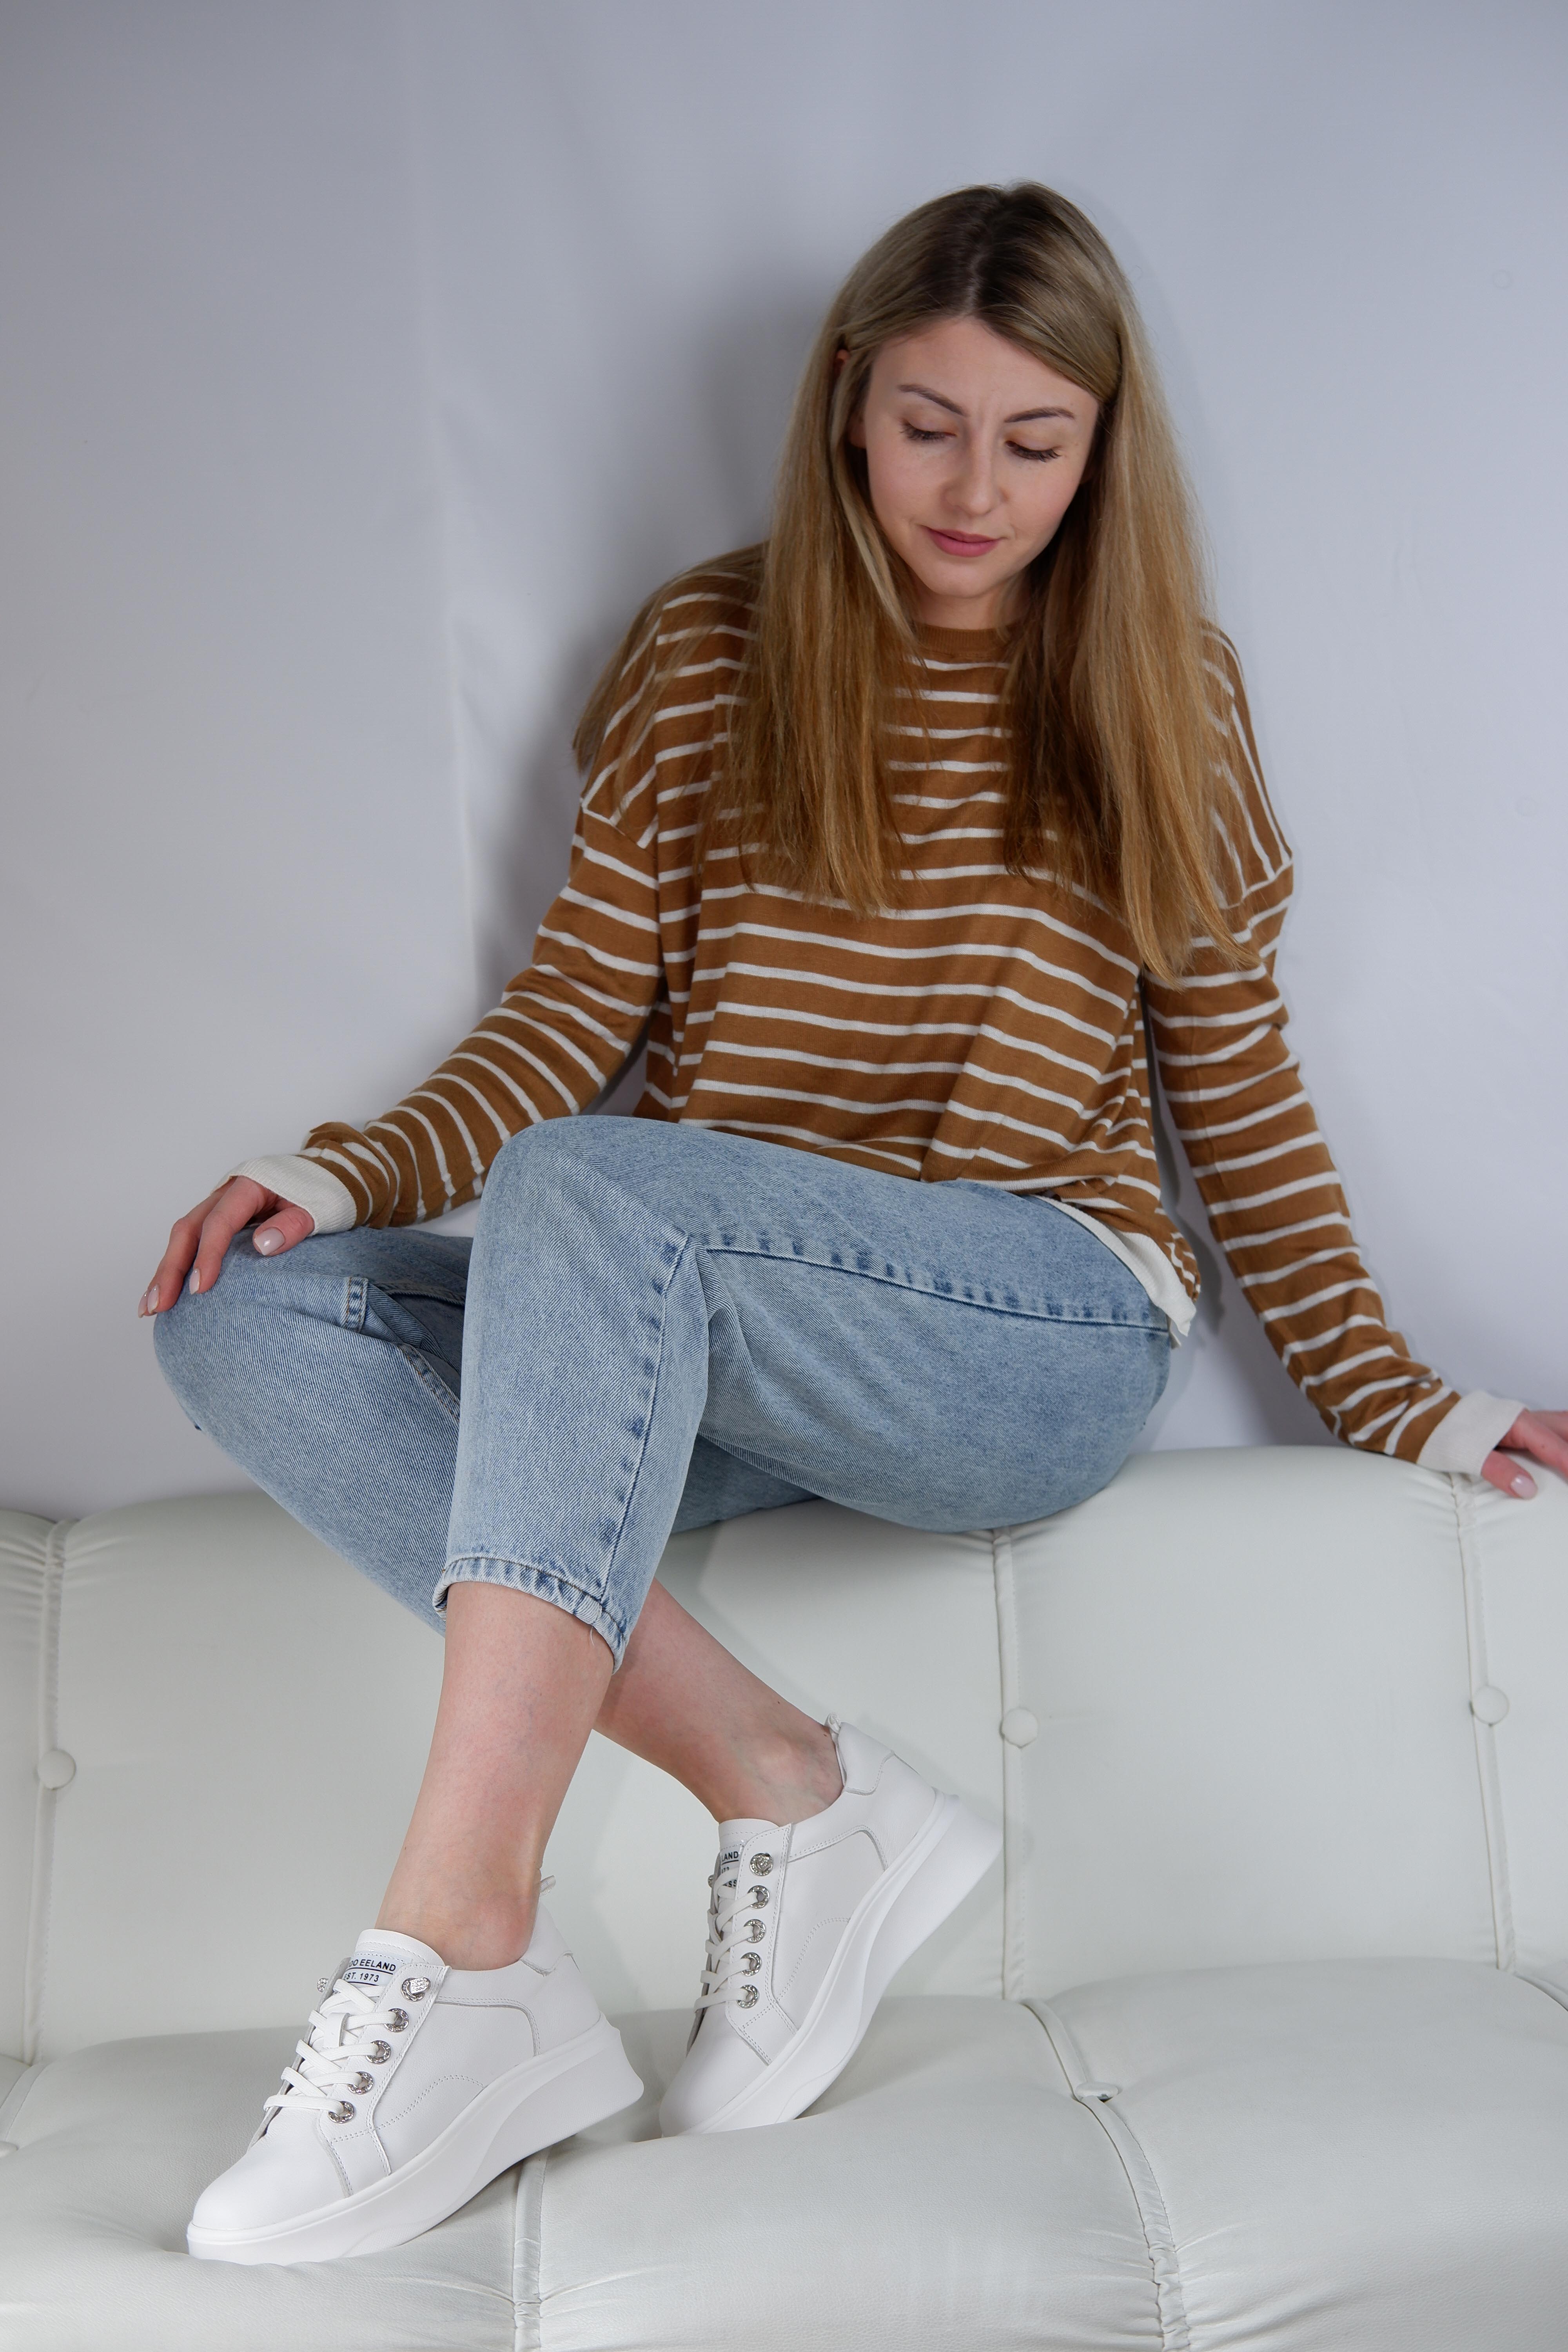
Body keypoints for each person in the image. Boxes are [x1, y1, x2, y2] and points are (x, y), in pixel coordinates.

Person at [145, 181, 1566, 2267]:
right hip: (708, 1325)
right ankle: (791, 1785)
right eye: (930, 426)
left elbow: (1239, 1082)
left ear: (1104, 449)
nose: (977, 493)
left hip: (1034, 1330)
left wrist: (1396, 1395)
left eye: (1036, 441)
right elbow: (572, 1012)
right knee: (241, 1317)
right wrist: (349, 1173)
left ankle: (464, 1945)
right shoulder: (706, 652)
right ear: (844, 404)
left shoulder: (1165, 687)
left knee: (588, 1193)